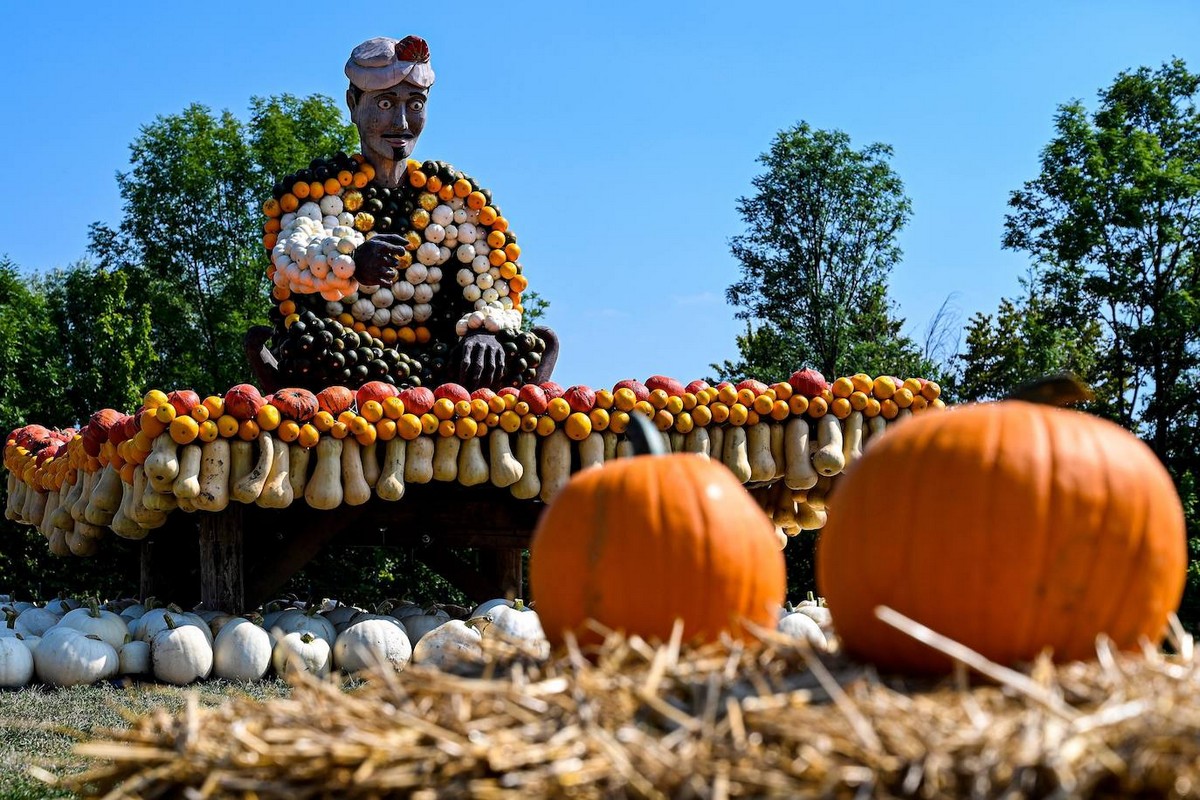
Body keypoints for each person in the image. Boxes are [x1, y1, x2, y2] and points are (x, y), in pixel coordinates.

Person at [247, 35, 558, 392]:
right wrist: (349, 261)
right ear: (353, 103)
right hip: (345, 363)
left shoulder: (455, 197)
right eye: (383, 103)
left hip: (441, 365)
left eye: (414, 104)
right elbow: (294, 248)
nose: (401, 122)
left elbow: (495, 282)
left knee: (508, 353)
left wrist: (485, 331)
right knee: (312, 348)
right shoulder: (315, 193)